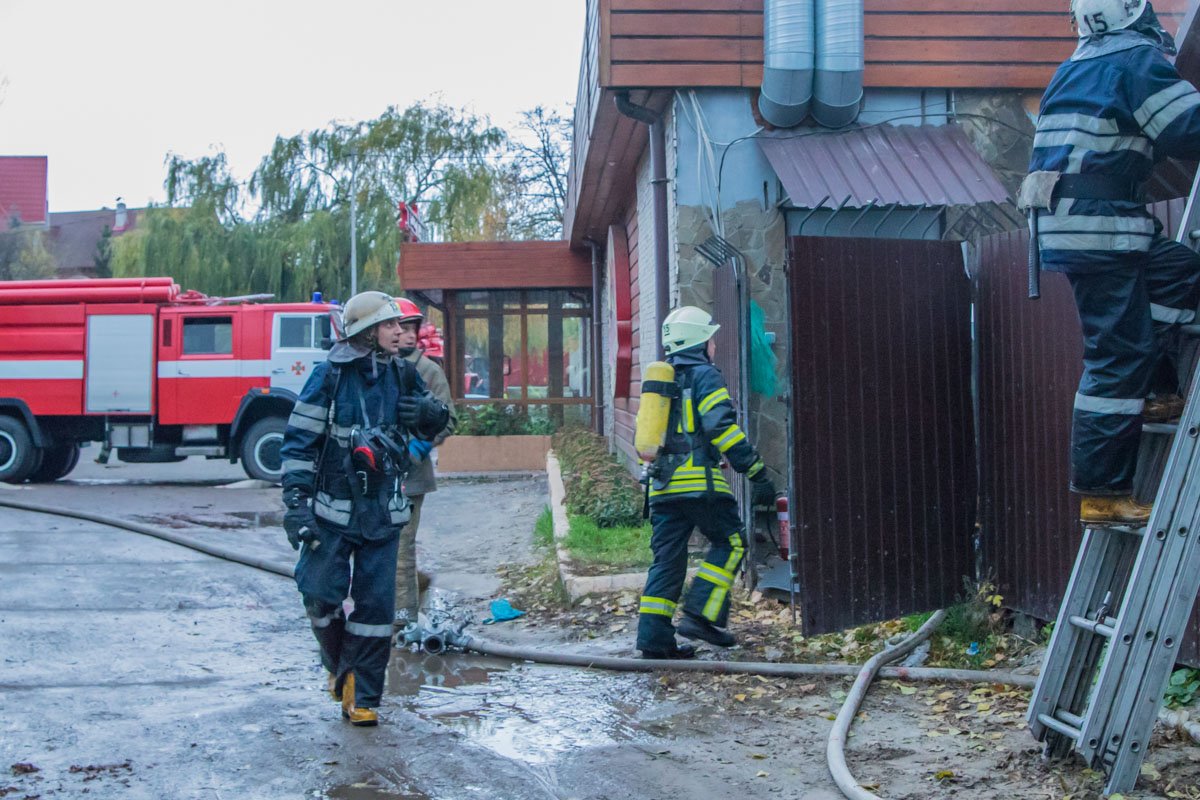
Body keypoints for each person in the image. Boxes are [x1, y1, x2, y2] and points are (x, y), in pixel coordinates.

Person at [1024, 0, 1200, 525]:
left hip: (1090, 227)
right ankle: (1102, 495)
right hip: (1102, 228)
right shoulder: (1135, 63)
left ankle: (1153, 392)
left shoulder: (1074, 67)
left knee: (1183, 280)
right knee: (1116, 356)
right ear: (1133, 13)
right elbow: (1187, 129)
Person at [279, 291, 449, 726]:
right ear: (366, 332)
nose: (401, 332)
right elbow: (299, 443)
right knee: (318, 594)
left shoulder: (405, 376)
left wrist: (429, 415)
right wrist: (296, 504)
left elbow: (440, 424)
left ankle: (364, 695)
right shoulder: (328, 378)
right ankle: (340, 669)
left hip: (384, 513)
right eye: (391, 325)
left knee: (376, 610)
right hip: (330, 515)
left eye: (401, 325)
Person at [636, 306, 775, 659]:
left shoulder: (663, 381)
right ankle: (700, 615)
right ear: (699, 341)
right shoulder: (705, 375)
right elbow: (720, 427)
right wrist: (755, 471)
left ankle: (654, 641)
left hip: (663, 488)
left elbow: (679, 433)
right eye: (711, 338)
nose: (714, 345)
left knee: (667, 560)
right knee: (731, 542)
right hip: (699, 485)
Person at [393, 316, 457, 632]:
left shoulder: (428, 371)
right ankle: (412, 586)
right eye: (398, 328)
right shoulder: (378, 368)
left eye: (408, 330)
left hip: (411, 475)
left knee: (402, 548)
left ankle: (403, 621)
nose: (403, 335)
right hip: (377, 474)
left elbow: (449, 418)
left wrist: (422, 443)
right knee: (382, 547)